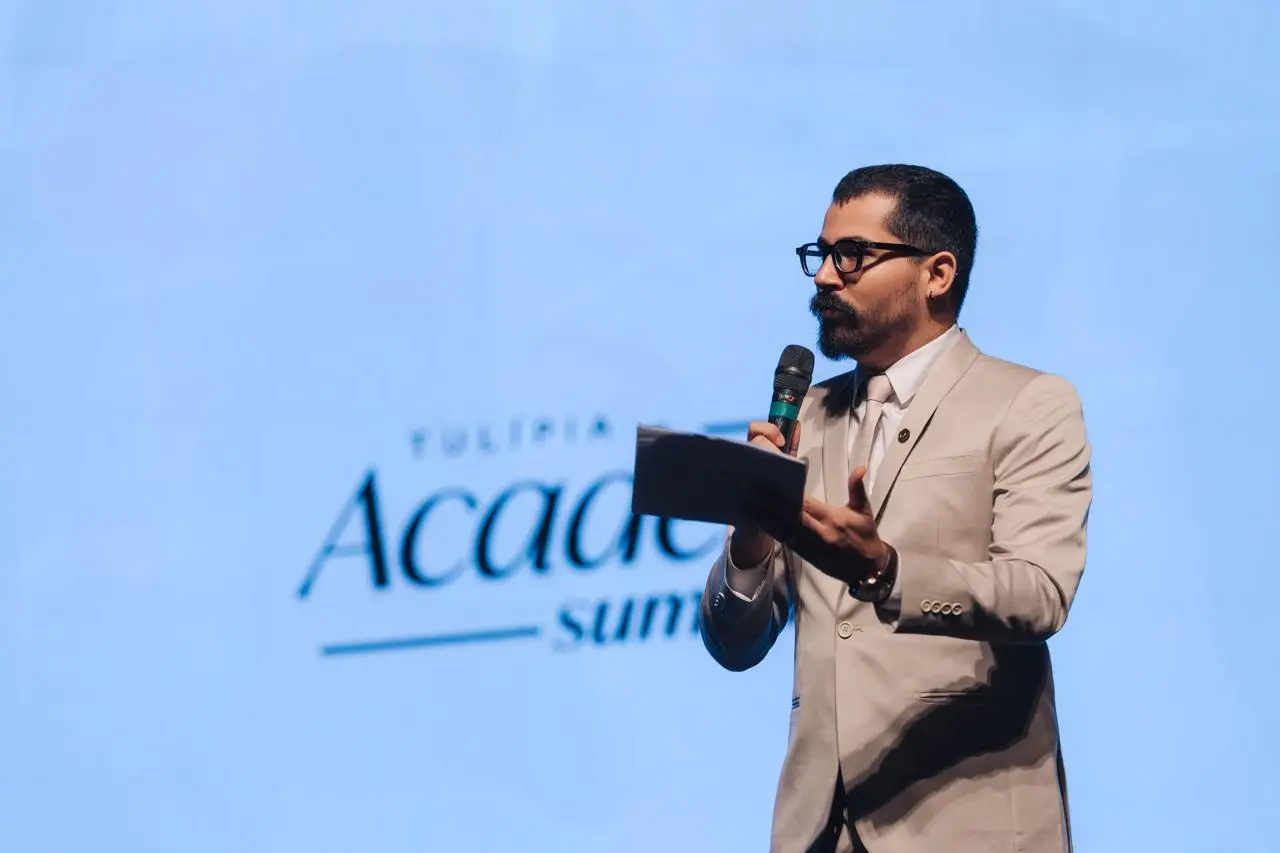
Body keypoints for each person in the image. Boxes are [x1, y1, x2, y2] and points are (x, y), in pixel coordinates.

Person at [699, 164, 1092, 853]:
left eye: (852, 254)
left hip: (964, 823)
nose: (826, 277)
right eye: (821, 254)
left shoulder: (1026, 403)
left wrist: (886, 571)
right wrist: (751, 541)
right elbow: (735, 644)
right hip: (818, 829)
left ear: (937, 273)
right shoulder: (807, 416)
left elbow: (1039, 593)